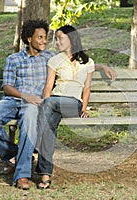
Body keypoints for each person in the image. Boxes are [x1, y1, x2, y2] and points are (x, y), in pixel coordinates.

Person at [0, 19, 116, 190]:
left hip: (36, 104)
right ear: (29, 39)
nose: (45, 41)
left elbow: (75, 60)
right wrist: (25, 96)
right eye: (41, 37)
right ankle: (15, 155)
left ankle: (22, 175)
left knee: (29, 121)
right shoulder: (13, 59)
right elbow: (7, 87)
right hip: (13, 100)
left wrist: (101, 67)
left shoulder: (51, 56)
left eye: (45, 37)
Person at [35, 25, 93, 189]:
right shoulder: (54, 60)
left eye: (60, 37)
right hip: (53, 104)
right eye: (56, 38)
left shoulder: (88, 62)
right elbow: (48, 86)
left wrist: (84, 109)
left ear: (71, 38)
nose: (57, 41)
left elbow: (86, 88)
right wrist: (45, 105)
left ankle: (35, 142)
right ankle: (45, 176)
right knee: (48, 129)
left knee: (50, 103)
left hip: (73, 104)